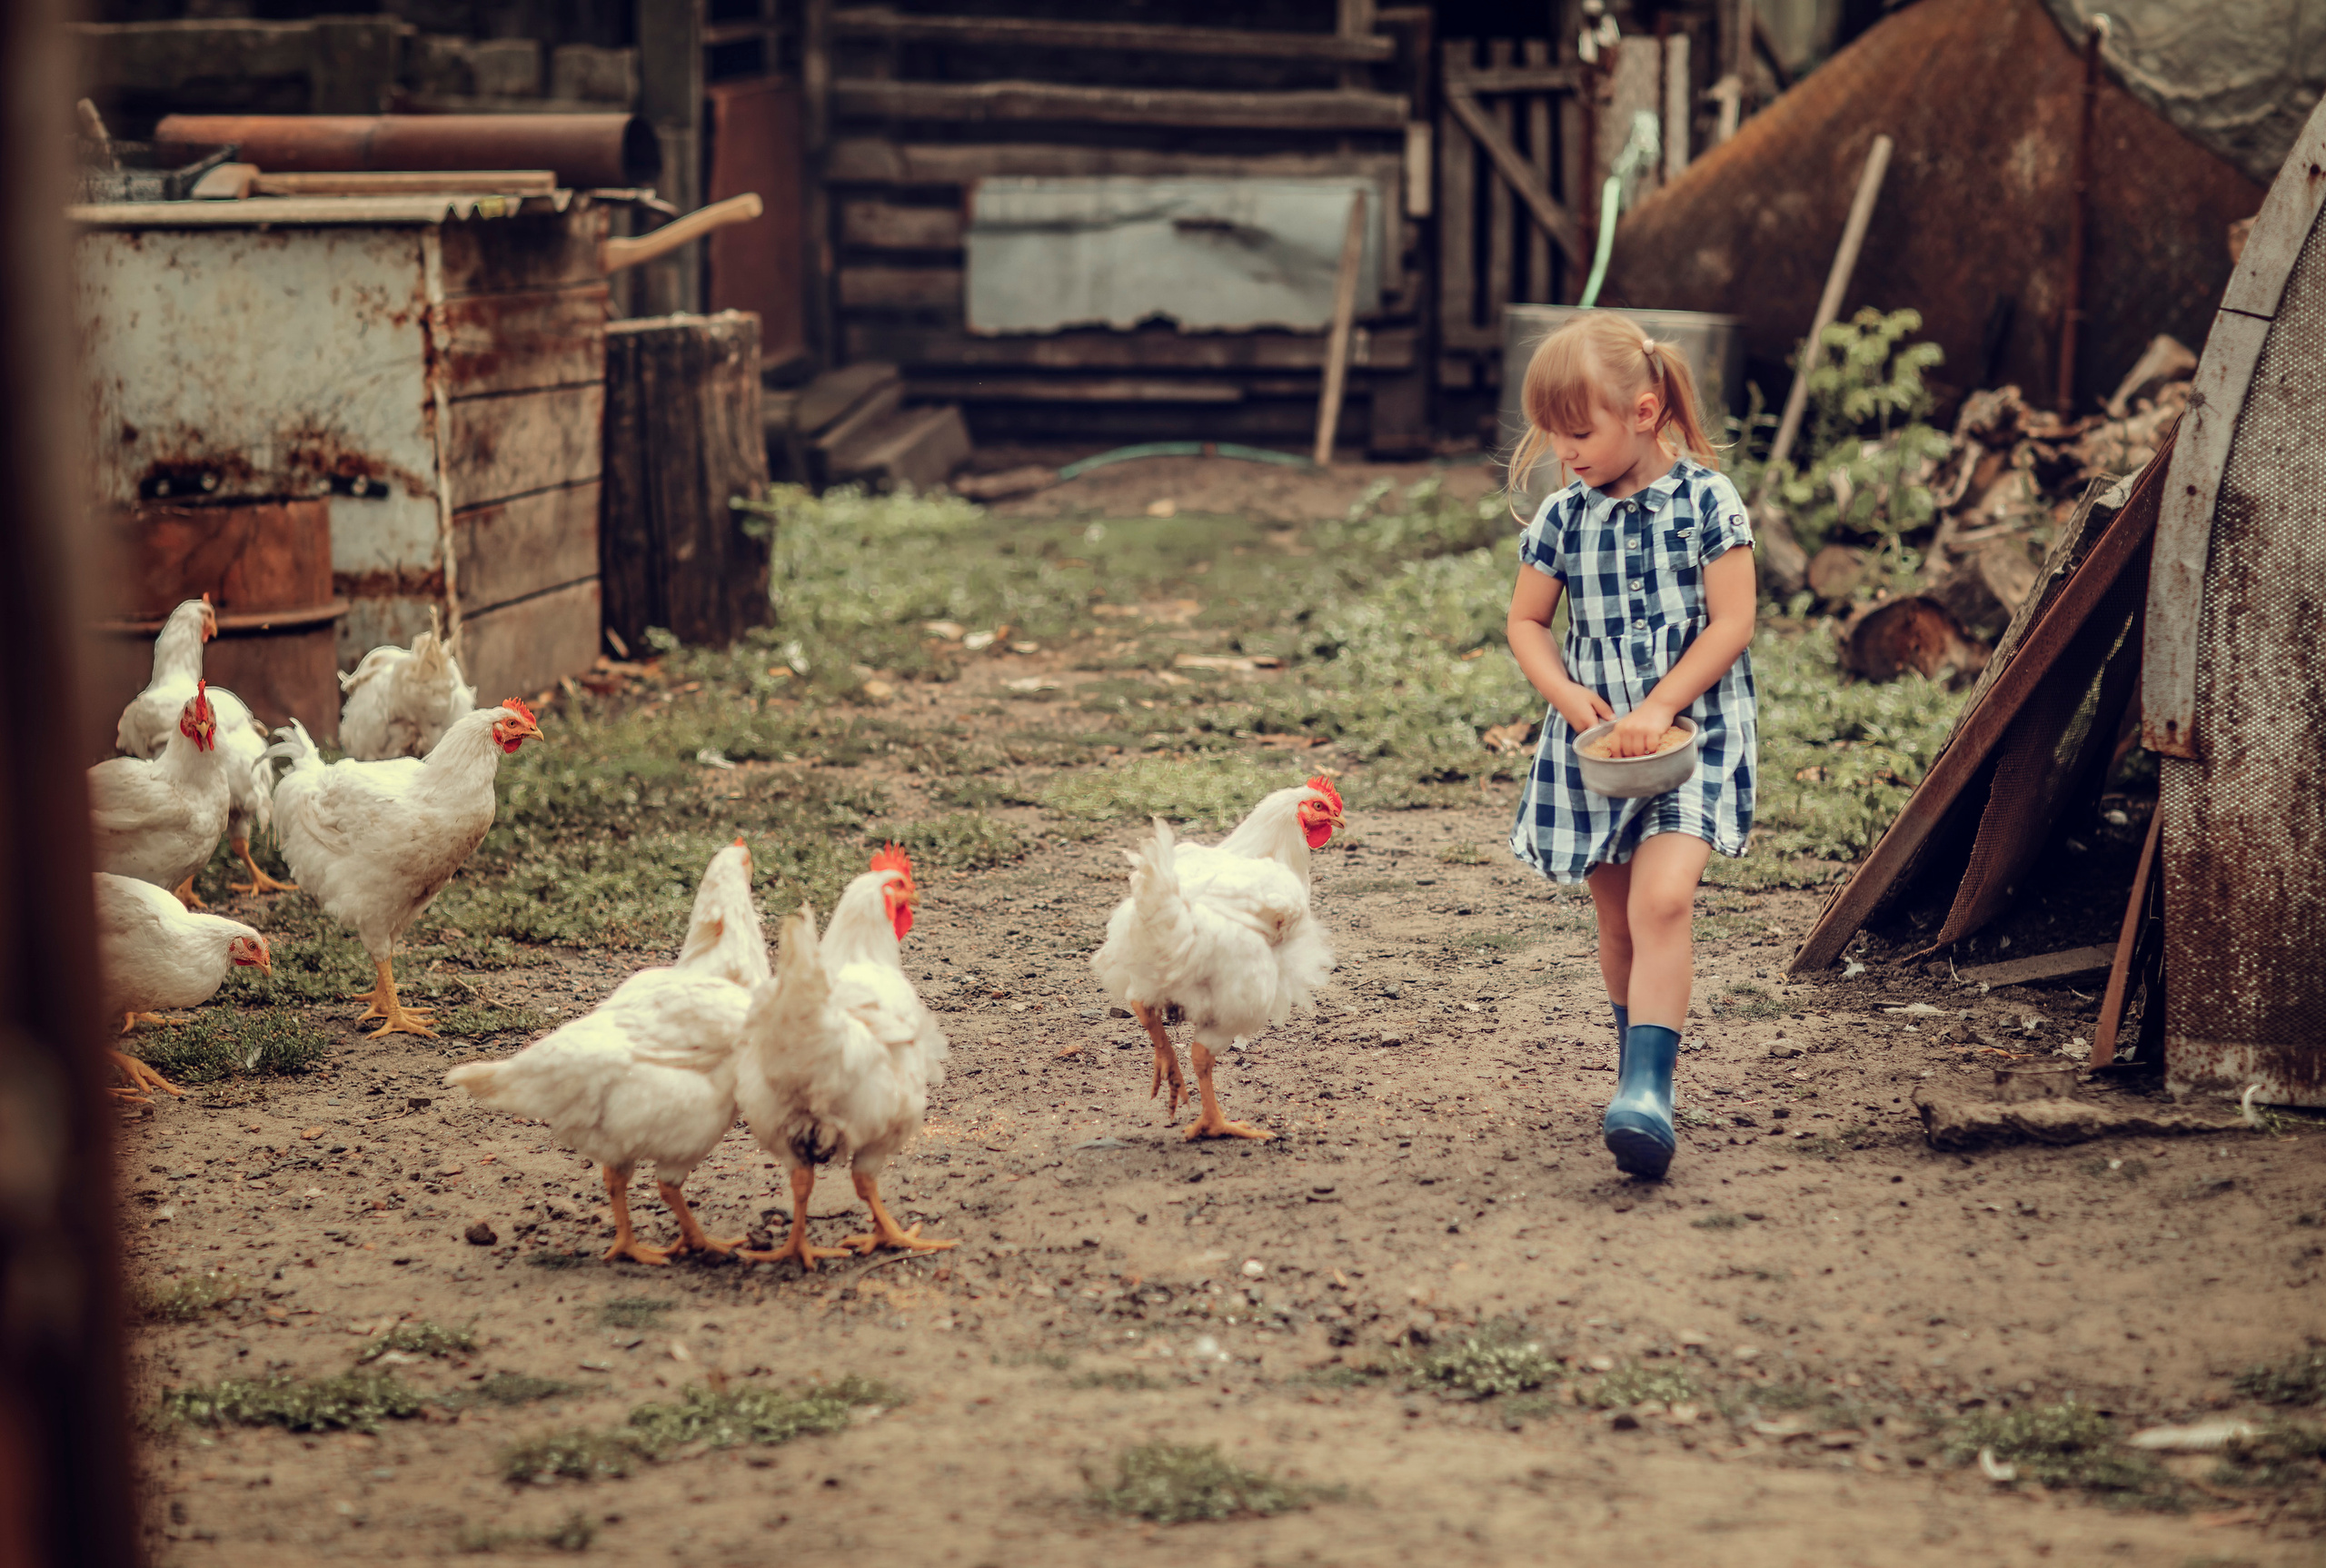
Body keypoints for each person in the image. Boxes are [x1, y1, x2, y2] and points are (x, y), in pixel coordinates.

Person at [1501, 312, 1758, 1180]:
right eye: (1553, 433)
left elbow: (1733, 621)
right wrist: (1571, 699)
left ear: (1644, 413)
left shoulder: (1709, 502)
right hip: (1599, 749)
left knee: (1663, 903)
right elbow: (1527, 621)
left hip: (1694, 734)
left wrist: (1661, 704)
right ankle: (1631, 1073)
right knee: (1616, 919)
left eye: (1579, 432)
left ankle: (1650, 1090)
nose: (1563, 451)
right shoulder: (1563, 516)